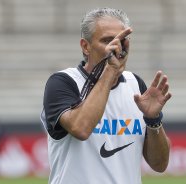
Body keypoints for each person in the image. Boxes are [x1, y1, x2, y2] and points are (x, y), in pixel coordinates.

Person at [40, 7, 172, 184]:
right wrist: (111, 71)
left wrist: (153, 120)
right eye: (108, 41)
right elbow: (81, 128)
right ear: (85, 46)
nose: (116, 48)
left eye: (121, 41)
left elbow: (160, 165)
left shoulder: (135, 84)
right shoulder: (63, 82)